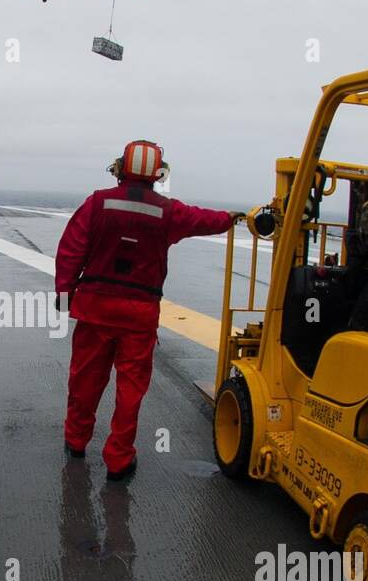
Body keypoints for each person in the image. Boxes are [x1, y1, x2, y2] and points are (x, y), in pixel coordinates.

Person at [55, 140, 235, 480]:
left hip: (95, 309)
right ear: (157, 174)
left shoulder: (97, 203)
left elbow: (70, 251)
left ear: (120, 168)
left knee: (84, 381)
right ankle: (119, 461)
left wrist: (64, 297)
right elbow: (205, 220)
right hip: (139, 316)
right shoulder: (168, 211)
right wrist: (235, 218)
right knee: (130, 391)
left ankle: (76, 441)